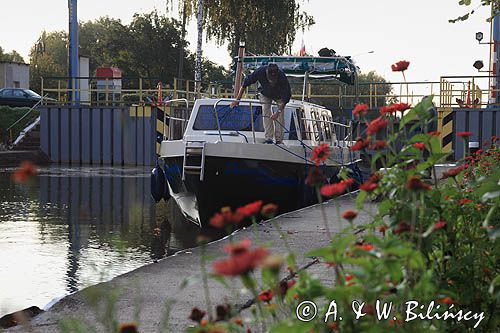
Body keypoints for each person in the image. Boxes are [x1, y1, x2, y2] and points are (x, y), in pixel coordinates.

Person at [230, 63, 292, 144]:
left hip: (279, 95)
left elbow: (287, 96)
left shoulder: (282, 77)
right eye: (270, 79)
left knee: (280, 116)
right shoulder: (260, 72)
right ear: (267, 73)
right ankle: (269, 138)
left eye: (274, 80)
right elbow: (245, 84)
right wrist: (237, 100)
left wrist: (278, 112)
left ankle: (279, 139)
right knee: (266, 111)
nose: (272, 82)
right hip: (265, 93)